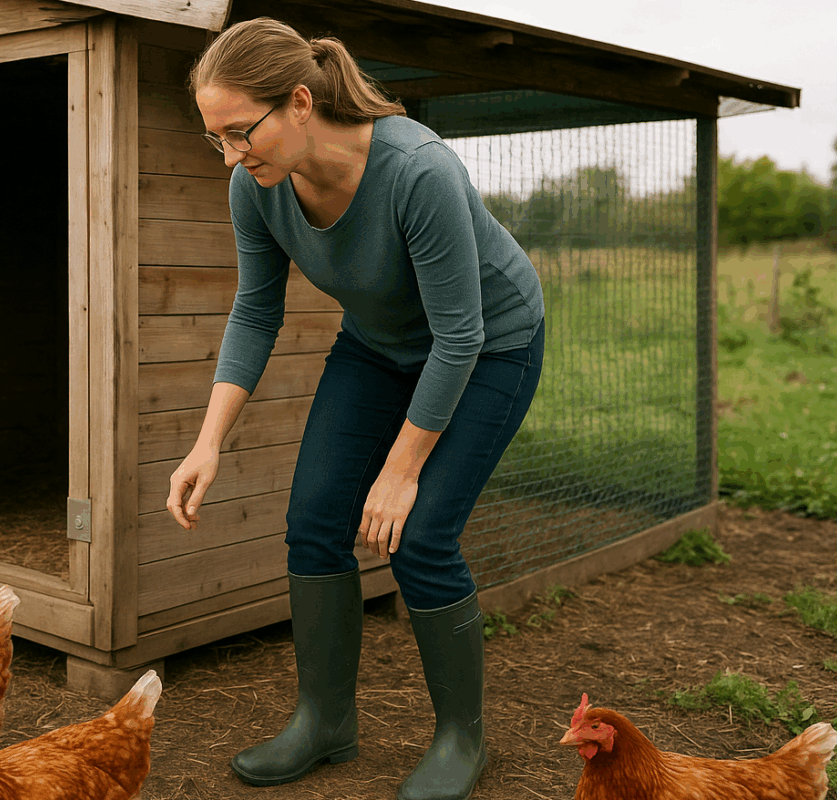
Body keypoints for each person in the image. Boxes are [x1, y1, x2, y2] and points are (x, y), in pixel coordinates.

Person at [164, 17, 546, 800]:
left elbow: (460, 333)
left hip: (491, 346)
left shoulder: (417, 170)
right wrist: (207, 444)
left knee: (422, 535)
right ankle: (325, 720)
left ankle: (459, 742)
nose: (233, 156)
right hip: (378, 346)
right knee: (313, 520)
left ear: (300, 102)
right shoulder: (256, 188)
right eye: (218, 140)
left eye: (242, 133)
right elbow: (254, 314)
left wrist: (403, 470)